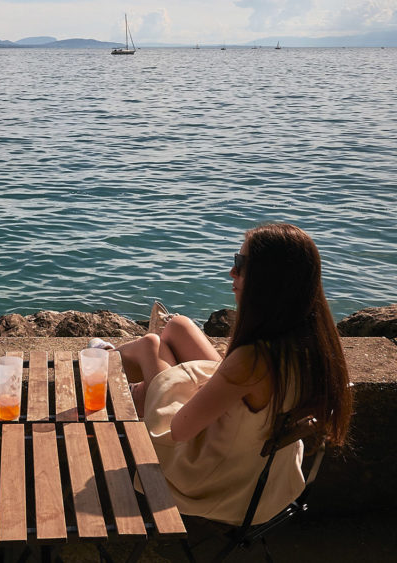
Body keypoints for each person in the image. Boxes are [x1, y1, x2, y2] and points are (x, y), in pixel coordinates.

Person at [111, 223, 352, 524]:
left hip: (217, 483)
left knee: (150, 344)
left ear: (268, 279)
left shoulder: (252, 360)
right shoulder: (311, 345)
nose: (231, 272)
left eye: (240, 264)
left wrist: (184, 385)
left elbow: (179, 430)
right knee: (178, 326)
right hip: (267, 478)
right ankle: (114, 366)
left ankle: (105, 369)